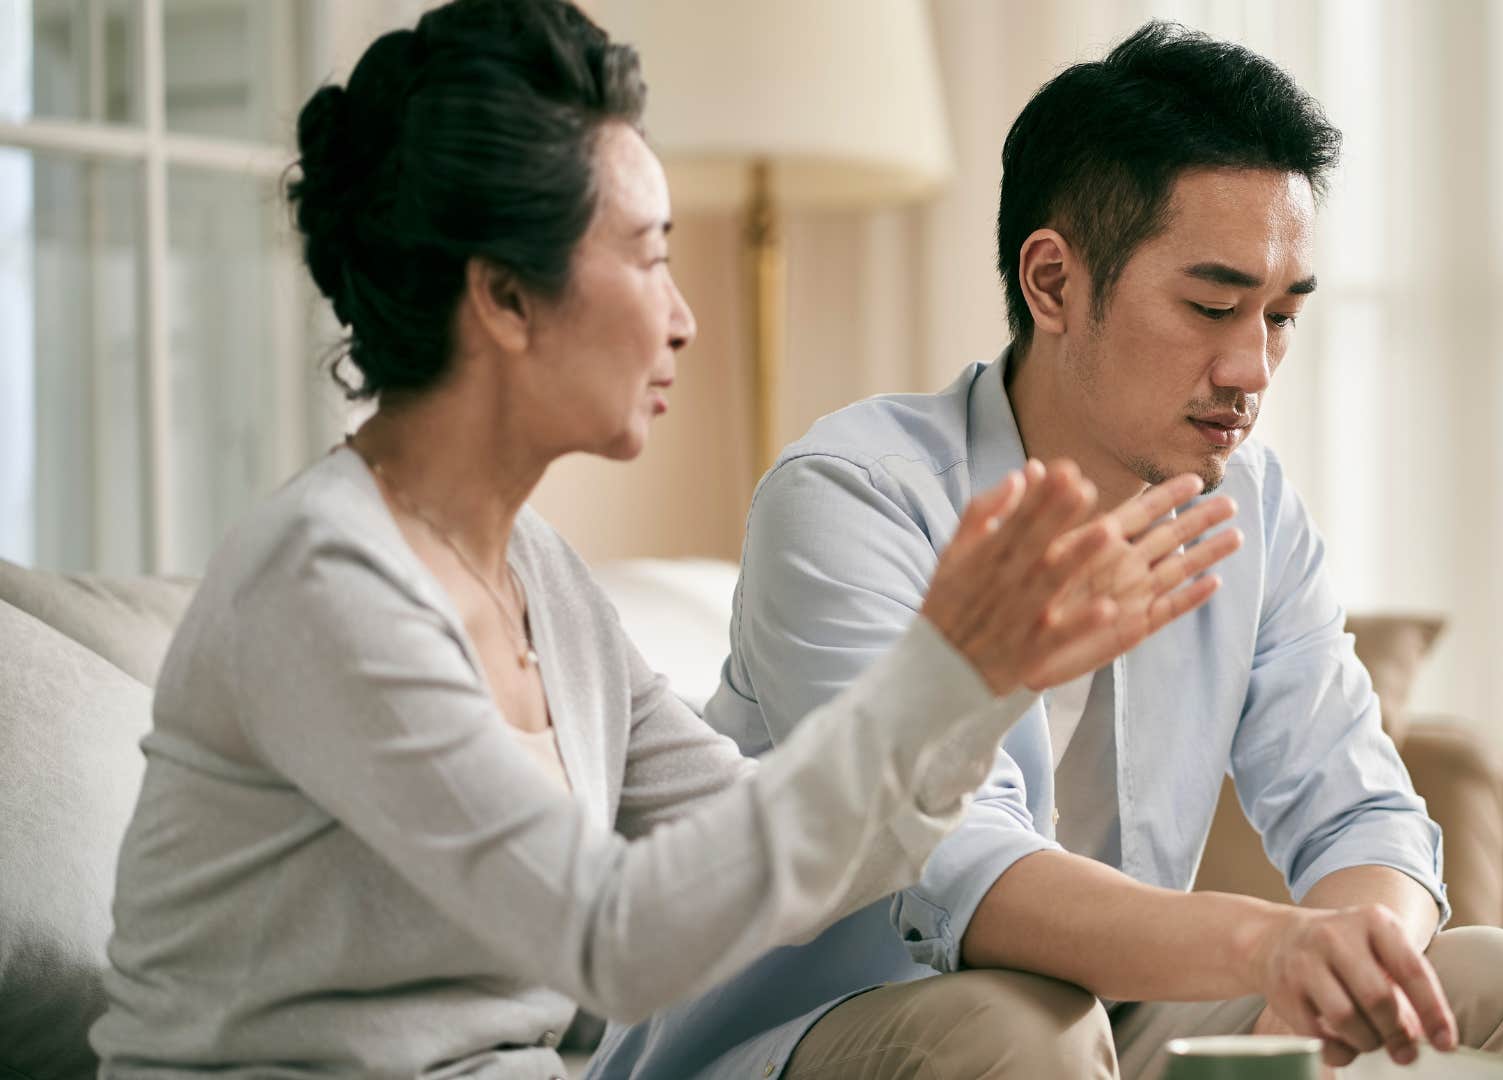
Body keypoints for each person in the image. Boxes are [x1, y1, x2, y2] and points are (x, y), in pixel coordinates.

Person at [87, 3, 1240, 1075]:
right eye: (646, 255)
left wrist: (994, 683)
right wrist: (952, 664)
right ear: (503, 297)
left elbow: (778, 846)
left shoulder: (535, 575)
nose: (682, 316)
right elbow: (616, 936)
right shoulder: (322, 584)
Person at [590, 21, 1503, 1080]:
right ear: (1054, 283)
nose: (1253, 368)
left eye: (1283, 316)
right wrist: (1272, 944)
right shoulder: (853, 499)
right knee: (1025, 1027)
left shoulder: (1247, 507)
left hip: (1107, 1024)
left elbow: (1362, 812)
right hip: (815, 1036)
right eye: (1213, 306)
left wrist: (1343, 971)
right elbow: (958, 874)